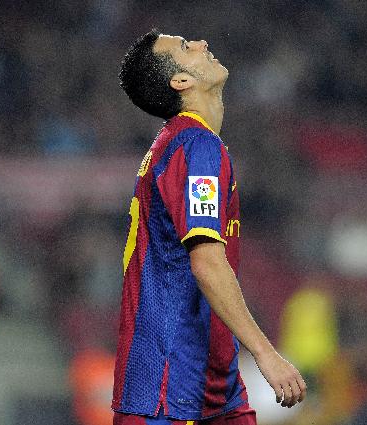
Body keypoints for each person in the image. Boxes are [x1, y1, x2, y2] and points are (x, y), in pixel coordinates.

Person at [112, 29, 306, 425]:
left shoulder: (178, 146)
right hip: (169, 390)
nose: (200, 44)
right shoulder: (195, 147)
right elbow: (206, 263)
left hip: (212, 387)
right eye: (185, 47)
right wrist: (266, 353)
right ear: (181, 82)